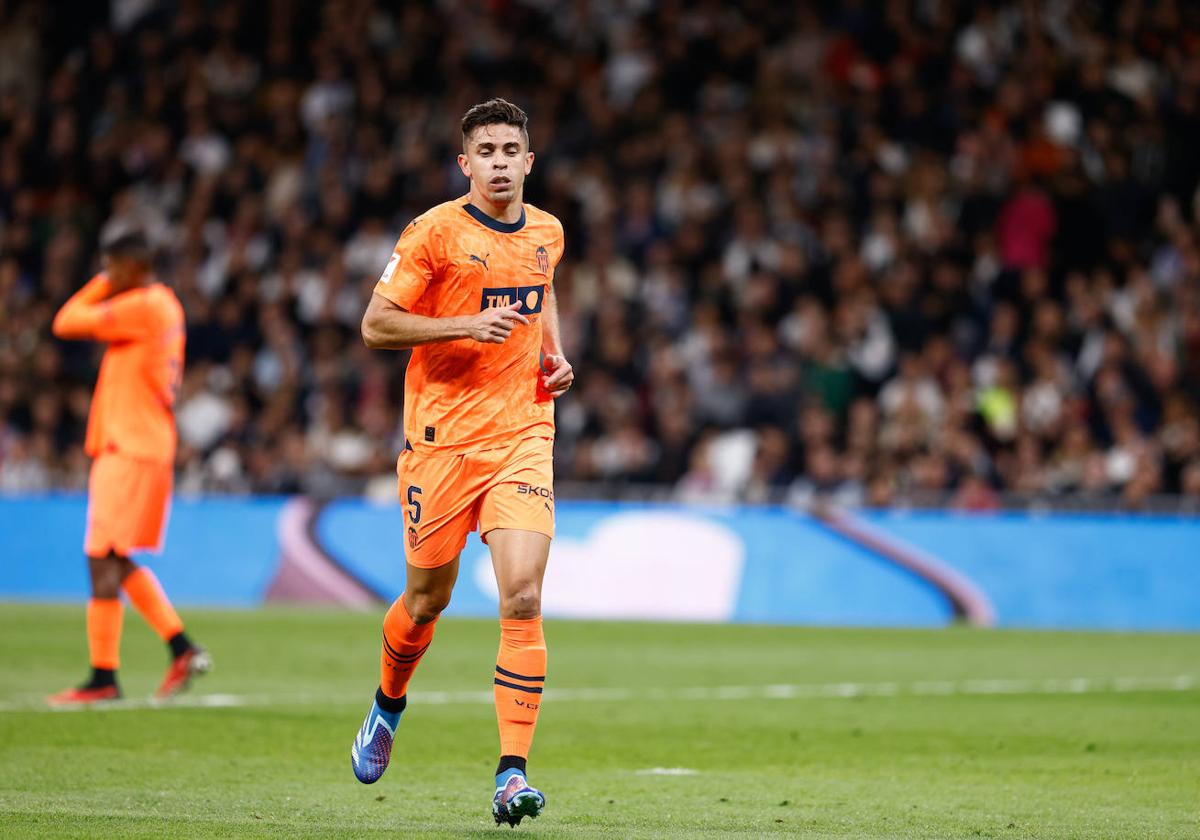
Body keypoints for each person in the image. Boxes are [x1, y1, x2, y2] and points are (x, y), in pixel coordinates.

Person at [350, 98, 572, 828]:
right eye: (488, 151)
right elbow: (376, 323)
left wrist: (553, 355)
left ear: (529, 161)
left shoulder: (547, 231)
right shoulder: (434, 233)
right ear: (466, 163)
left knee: (522, 597)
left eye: (513, 149)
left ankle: (512, 775)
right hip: (442, 445)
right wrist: (464, 323)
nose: (501, 162)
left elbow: (542, 295)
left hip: (522, 437)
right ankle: (388, 705)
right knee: (426, 602)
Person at [48, 229, 209, 705]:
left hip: (132, 447)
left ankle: (103, 677)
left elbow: (66, 322)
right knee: (113, 557)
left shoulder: (144, 306)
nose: (108, 276)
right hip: (139, 444)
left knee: (102, 557)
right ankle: (180, 648)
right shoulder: (161, 307)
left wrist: (102, 281)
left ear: (133, 268)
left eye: (113, 267)